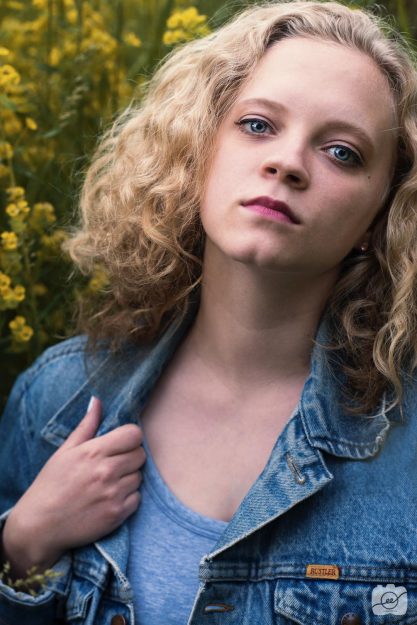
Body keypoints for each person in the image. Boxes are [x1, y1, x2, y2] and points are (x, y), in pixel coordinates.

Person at [1, 0, 417, 623]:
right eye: (257, 125)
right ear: (198, 150)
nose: (287, 163)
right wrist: (21, 545)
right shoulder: (56, 401)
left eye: (341, 152)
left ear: (379, 217)